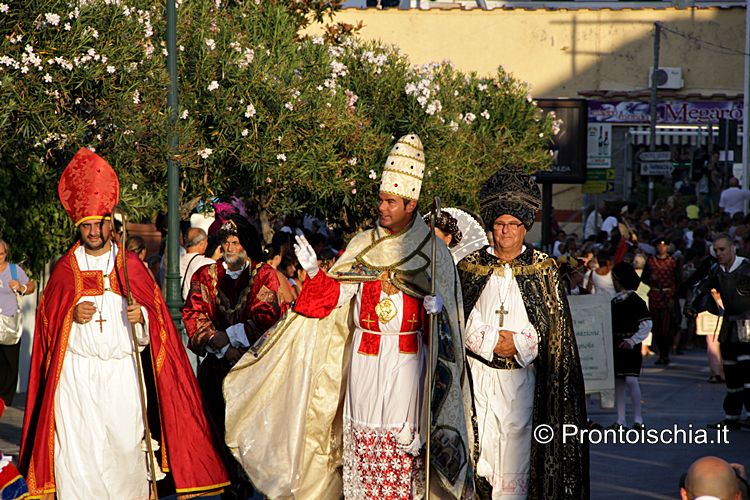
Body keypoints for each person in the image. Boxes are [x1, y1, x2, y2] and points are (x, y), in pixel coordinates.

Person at [223, 134, 474, 499]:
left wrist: (438, 314)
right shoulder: (362, 245)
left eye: (390, 202)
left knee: (404, 455)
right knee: (365, 454)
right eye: (381, 200)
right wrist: (314, 274)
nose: (382, 208)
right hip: (364, 364)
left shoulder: (434, 252)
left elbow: (450, 329)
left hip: (408, 365)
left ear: (411, 203)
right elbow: (332, 300)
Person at [19, 148, 228, 499]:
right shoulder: (63, 272)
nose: (93, 231)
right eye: (86, 226)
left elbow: (156, 323)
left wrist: (141, 318)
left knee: (125, 451)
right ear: (79, 227)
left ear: (109, 223)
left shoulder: (129, 266)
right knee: (77, 454)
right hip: (77, 379)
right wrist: (70, 317)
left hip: (122, 376)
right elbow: (47, 332)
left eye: (98, 224)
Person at [457, 169, 588, 499]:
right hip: (479, 376)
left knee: (517, 448)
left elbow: (553, 328)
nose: (506, 232)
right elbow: (459, 319)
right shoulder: (470, 267)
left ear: (524, 227)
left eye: (513, 225)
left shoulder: (543, 270)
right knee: (482, 448)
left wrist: (516, 343)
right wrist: (489, 341)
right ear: (491, 226)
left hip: (523, 379)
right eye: (500, 224)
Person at [182, 213, 291, 497]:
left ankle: (249, 485)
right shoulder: (204, 275)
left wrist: (228, 337)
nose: (230, 248)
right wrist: (219, 345)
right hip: (217, 367)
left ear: (246, 245)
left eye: (235, 242)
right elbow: (194, 314)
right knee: (217, 431)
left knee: (250, 434)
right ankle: (225, 484)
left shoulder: (263, 274)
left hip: (251, 368)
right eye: (226, 242)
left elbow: (267, 315)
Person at [687, 234, 750, 430]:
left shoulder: (747, 268)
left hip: (748, 325)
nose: (719, 253)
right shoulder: (716, 270)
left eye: (722, 249)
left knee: (747, 373)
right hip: (728, 325)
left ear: (733, 248)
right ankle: (731, 417)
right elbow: (702, 288)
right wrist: (691, 306)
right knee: (731, 373)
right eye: (716, 250)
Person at [609, 262, 652, 430]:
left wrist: (632, 341)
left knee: (631, 379)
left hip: (630, 347)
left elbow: (646, 324)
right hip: (616, 346)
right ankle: (620, 420)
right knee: (619, 382)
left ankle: (638, 419)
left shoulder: (636, 301)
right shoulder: (613, 301)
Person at [0, 239, 35, 406]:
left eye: (1, 253)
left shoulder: (14, 270)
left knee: (10, 362)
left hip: (10, 324)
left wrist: (21, 287)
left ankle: (6, 400)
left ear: (6, 254)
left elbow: (31, 286)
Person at [643, 238, 679, 365]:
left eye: (664, 246)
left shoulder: (673, 261)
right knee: (657, 327)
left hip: (668, 296)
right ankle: (660, 354)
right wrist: (649, 278)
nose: (662, 248)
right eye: (659, 245)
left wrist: (673, 298)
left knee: (667, 328)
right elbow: (643, 278)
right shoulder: (651, 261)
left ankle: (666, 354)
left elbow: (678, 280)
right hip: (654, 295)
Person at [179, 226, 215, 302]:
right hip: (195, 307)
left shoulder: (177, 260)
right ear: (201, 244)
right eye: (206, 241)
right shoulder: (207, 262)